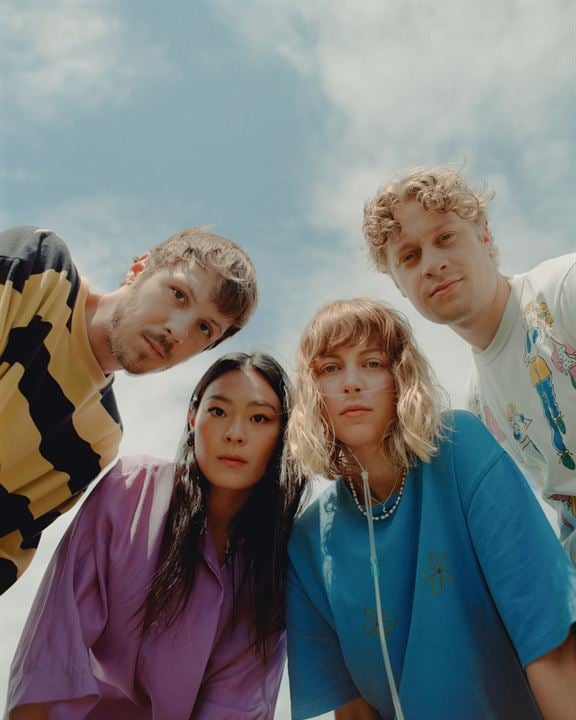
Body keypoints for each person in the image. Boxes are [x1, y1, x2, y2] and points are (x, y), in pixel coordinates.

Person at [285, 298, 576, 720]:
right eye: (330, 368)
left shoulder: (461, 448)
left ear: (400, 377)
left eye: (371, 363)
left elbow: (546, 634)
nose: (351, 383)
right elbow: (353, 711)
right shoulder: (309, 542)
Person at [6, 351, 305, 720]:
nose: (234, 433)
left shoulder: (272, 567)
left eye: (259, 418)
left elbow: (237, 706)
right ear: (192, 418)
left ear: (283, 434)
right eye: (218, 411)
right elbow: (52, 649)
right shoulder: (130, 490)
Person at [0, 225, 258, 593]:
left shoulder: (95, 439)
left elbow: (8, 546)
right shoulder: (41, 269)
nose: (179, 331)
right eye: (178, 294)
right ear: (140, 269)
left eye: (205, 328)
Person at [362, 167, 576, 563]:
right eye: (409, 257)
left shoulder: (564, 290)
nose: (433, 263)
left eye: (445, 237)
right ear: (399, 286)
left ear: (484, 235)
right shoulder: (478, 404)